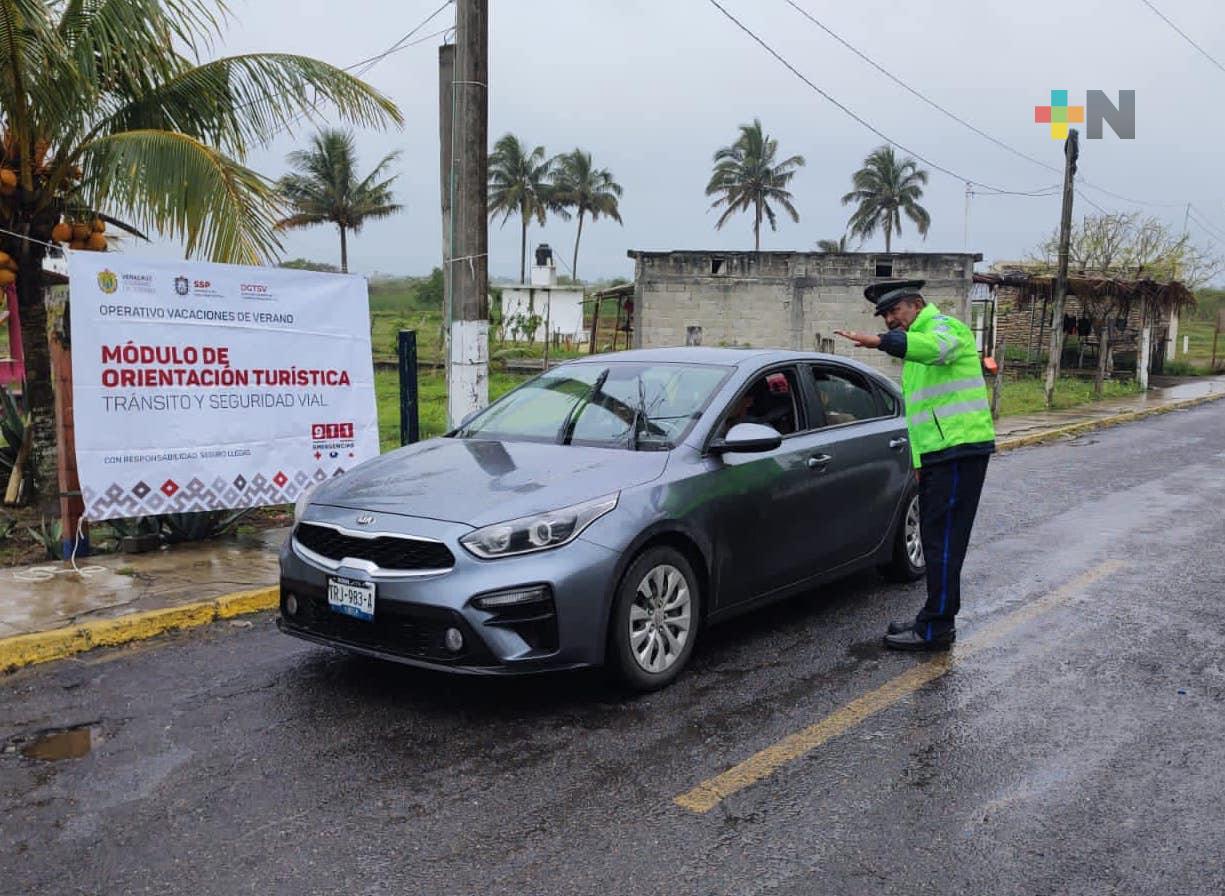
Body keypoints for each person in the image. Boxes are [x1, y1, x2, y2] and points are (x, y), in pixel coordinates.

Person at [835, 280, 995, 651]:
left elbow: (933, 349)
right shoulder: (914, 354)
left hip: (959, 449)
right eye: (886, 316)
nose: (891, 320)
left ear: (916, 304)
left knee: (943, 543)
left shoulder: (945, 328)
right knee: (936, 539)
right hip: (940, 455)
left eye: (895, 312)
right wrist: (920, 463)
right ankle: (934, 616)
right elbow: (921, 415)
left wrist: (881, 341)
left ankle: (936, 627)